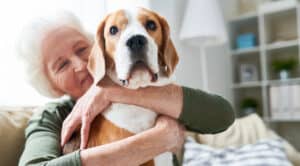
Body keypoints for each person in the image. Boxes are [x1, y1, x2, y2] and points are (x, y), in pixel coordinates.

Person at [17, 11, 234, 166]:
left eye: (82, 49)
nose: (81, 65)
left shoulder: (144, 84)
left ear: (101, 49)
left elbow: (223, 116)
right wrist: (158, 140)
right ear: (51, 86)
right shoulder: (51, 117)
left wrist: (110, 91)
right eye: (62, 65)